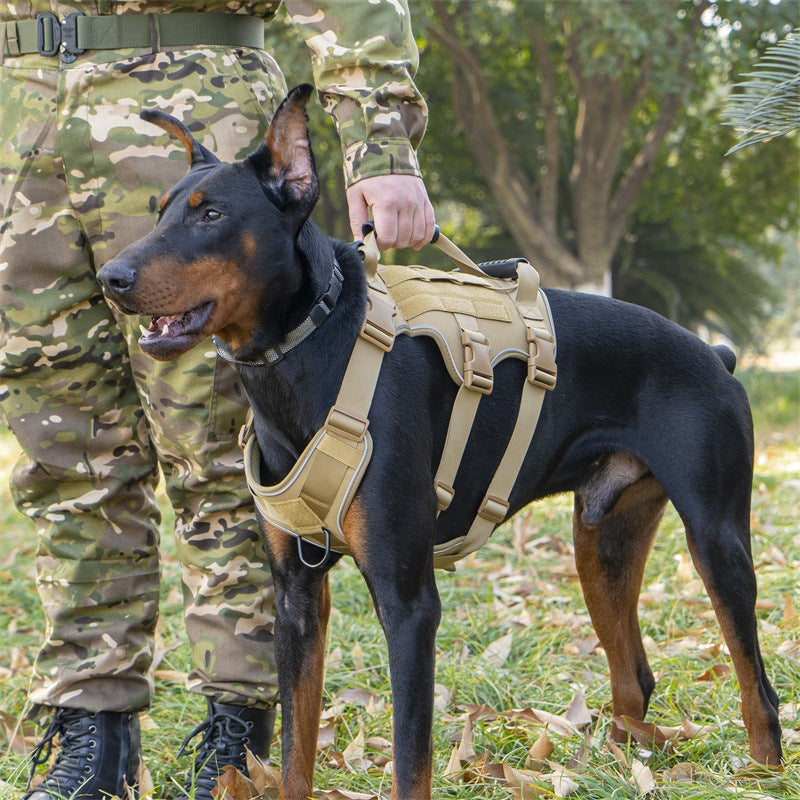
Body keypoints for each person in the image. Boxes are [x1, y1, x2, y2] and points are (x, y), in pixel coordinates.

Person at [0, 2, 434, 798]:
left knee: (231, 464)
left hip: (195, 91)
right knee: (67, 462)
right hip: (16, 114)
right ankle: (92, 736)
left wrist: (380, 135)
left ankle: (236, 740)